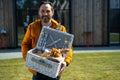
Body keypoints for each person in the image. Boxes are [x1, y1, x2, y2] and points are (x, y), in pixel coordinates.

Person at [21, 1, 73, 80]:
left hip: (54, 69)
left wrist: (66, 61)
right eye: (42, 11)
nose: (45, 14)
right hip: (37, 69)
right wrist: (27, 57)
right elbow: (25, 44)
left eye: (48, 11)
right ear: (39, 12)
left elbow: (68, 48)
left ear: (52, 12)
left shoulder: (61, 28)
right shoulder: (32, 27)